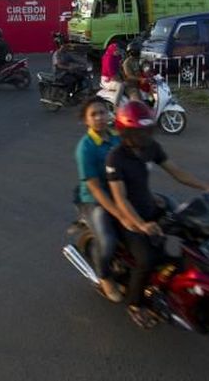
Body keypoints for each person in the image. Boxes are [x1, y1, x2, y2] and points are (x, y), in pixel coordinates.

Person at [106, 101, 209, 328]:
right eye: (138, 131)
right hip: (128, 218)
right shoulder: (115, 157)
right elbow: (121, 199)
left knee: (191, 229)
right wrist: (141, 224)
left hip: (150, 207)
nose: (144, 136)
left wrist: (206, 187)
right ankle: (135, 304)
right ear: (126, 132)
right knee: (147, 260)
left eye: (146, 130)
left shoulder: (151, 147)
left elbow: (177, 173)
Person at [75, 97, 128, 302]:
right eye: (93, 114)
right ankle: (105, 277)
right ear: (86, 121)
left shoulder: (116, 138)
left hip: (118, 191)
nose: (99, 117)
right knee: (108, 241)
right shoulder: (85, 148)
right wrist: (118, 212)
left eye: (102, 112)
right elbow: (95, 189)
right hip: (94, 200)